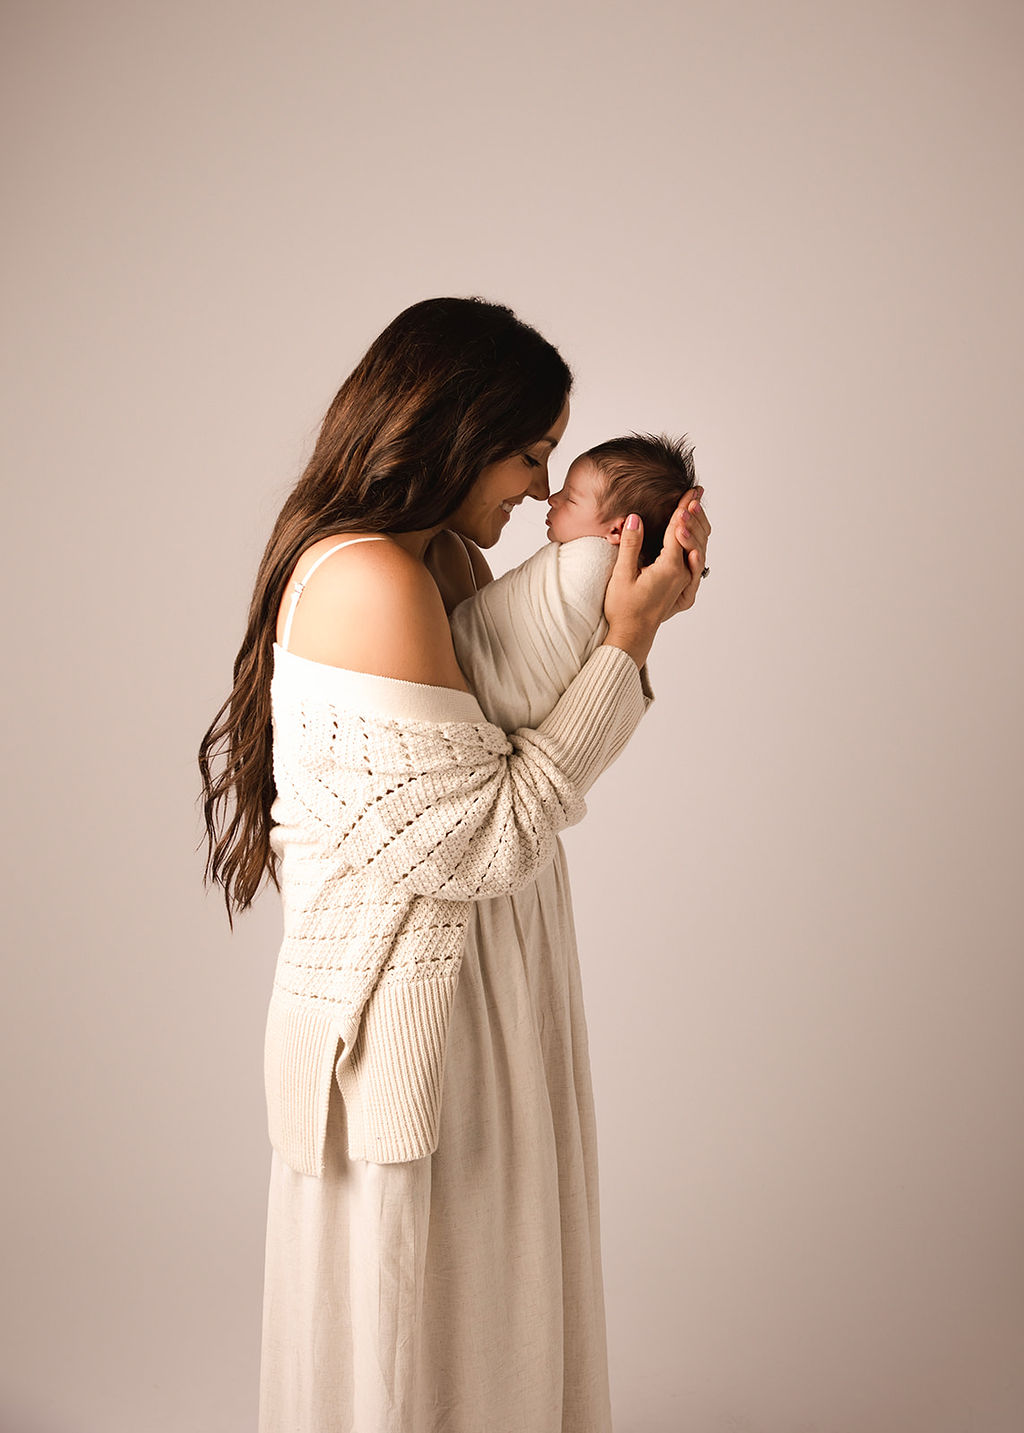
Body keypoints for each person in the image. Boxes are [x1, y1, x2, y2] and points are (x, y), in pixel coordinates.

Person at [197, 296, 711, 1433]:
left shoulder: (447, 565)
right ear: (452, 432)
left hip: (486, 1002)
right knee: (417, 1343)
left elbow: (511, 758)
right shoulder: (373, 579)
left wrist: (621, 613)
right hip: (413, 1034)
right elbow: (480, 839)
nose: (538, 490)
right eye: (529, 454)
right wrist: (626, 645)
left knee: (491, 1324)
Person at [449, 431, 701, 731]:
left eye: (570, 498)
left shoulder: (592, 562)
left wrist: (637, 627)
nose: (551, 498)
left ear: (619, 531)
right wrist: (638, 628)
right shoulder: (619, 583)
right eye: (530, 458)